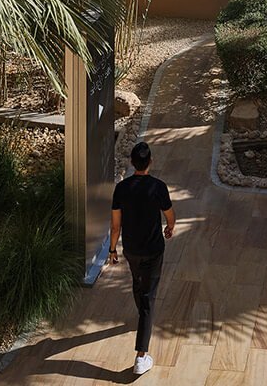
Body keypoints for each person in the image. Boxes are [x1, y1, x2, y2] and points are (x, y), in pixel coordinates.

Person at [108, 141, 174, 376]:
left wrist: (112, 250)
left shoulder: (121, 189)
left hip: (131, 250)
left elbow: (116, 225)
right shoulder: (158, 187)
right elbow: (169, 214)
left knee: (138, 284)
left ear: (132, 163)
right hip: (154, 250)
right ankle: (141, 356)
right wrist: (170, 227)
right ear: (150, 162)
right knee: (148, 297)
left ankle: (142, 316)